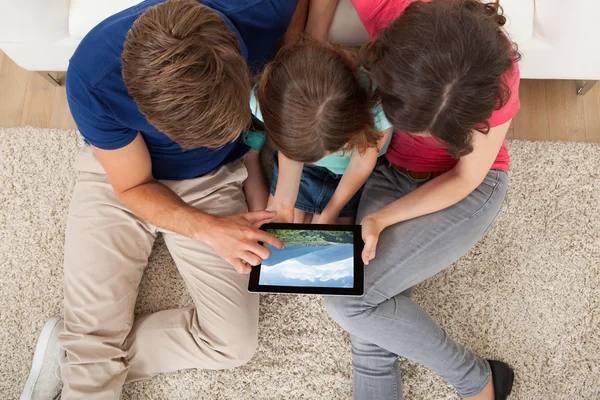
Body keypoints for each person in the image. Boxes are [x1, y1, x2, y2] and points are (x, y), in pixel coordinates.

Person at [19, 0, 311, 398]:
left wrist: (290, 53)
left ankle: (80, 359)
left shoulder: (264, 7)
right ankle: (84, 359)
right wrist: (210, 230)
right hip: (121, 176)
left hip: (213, 178)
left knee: (233, 344)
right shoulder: (92, 78)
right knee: (92, 345)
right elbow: (133, 186)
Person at [323, 1, 521, 400]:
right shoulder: (387, 14)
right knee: (368, 315)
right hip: (391, 173)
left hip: (466, 187)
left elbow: (467, 176)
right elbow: (371, 146)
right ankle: (480, 382)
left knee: (353, 306)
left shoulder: (497, 74)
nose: (429, 139)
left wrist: (381, 220)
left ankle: (476, 381)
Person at [254, 38, 393, 225]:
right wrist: (284, 202)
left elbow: (361, 164)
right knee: (284, 223)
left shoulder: (377, 103)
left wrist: (330, 212)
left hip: (349, 173)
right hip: (300, 168)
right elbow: (291, 153)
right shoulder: (267, 105)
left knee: (339, 230)